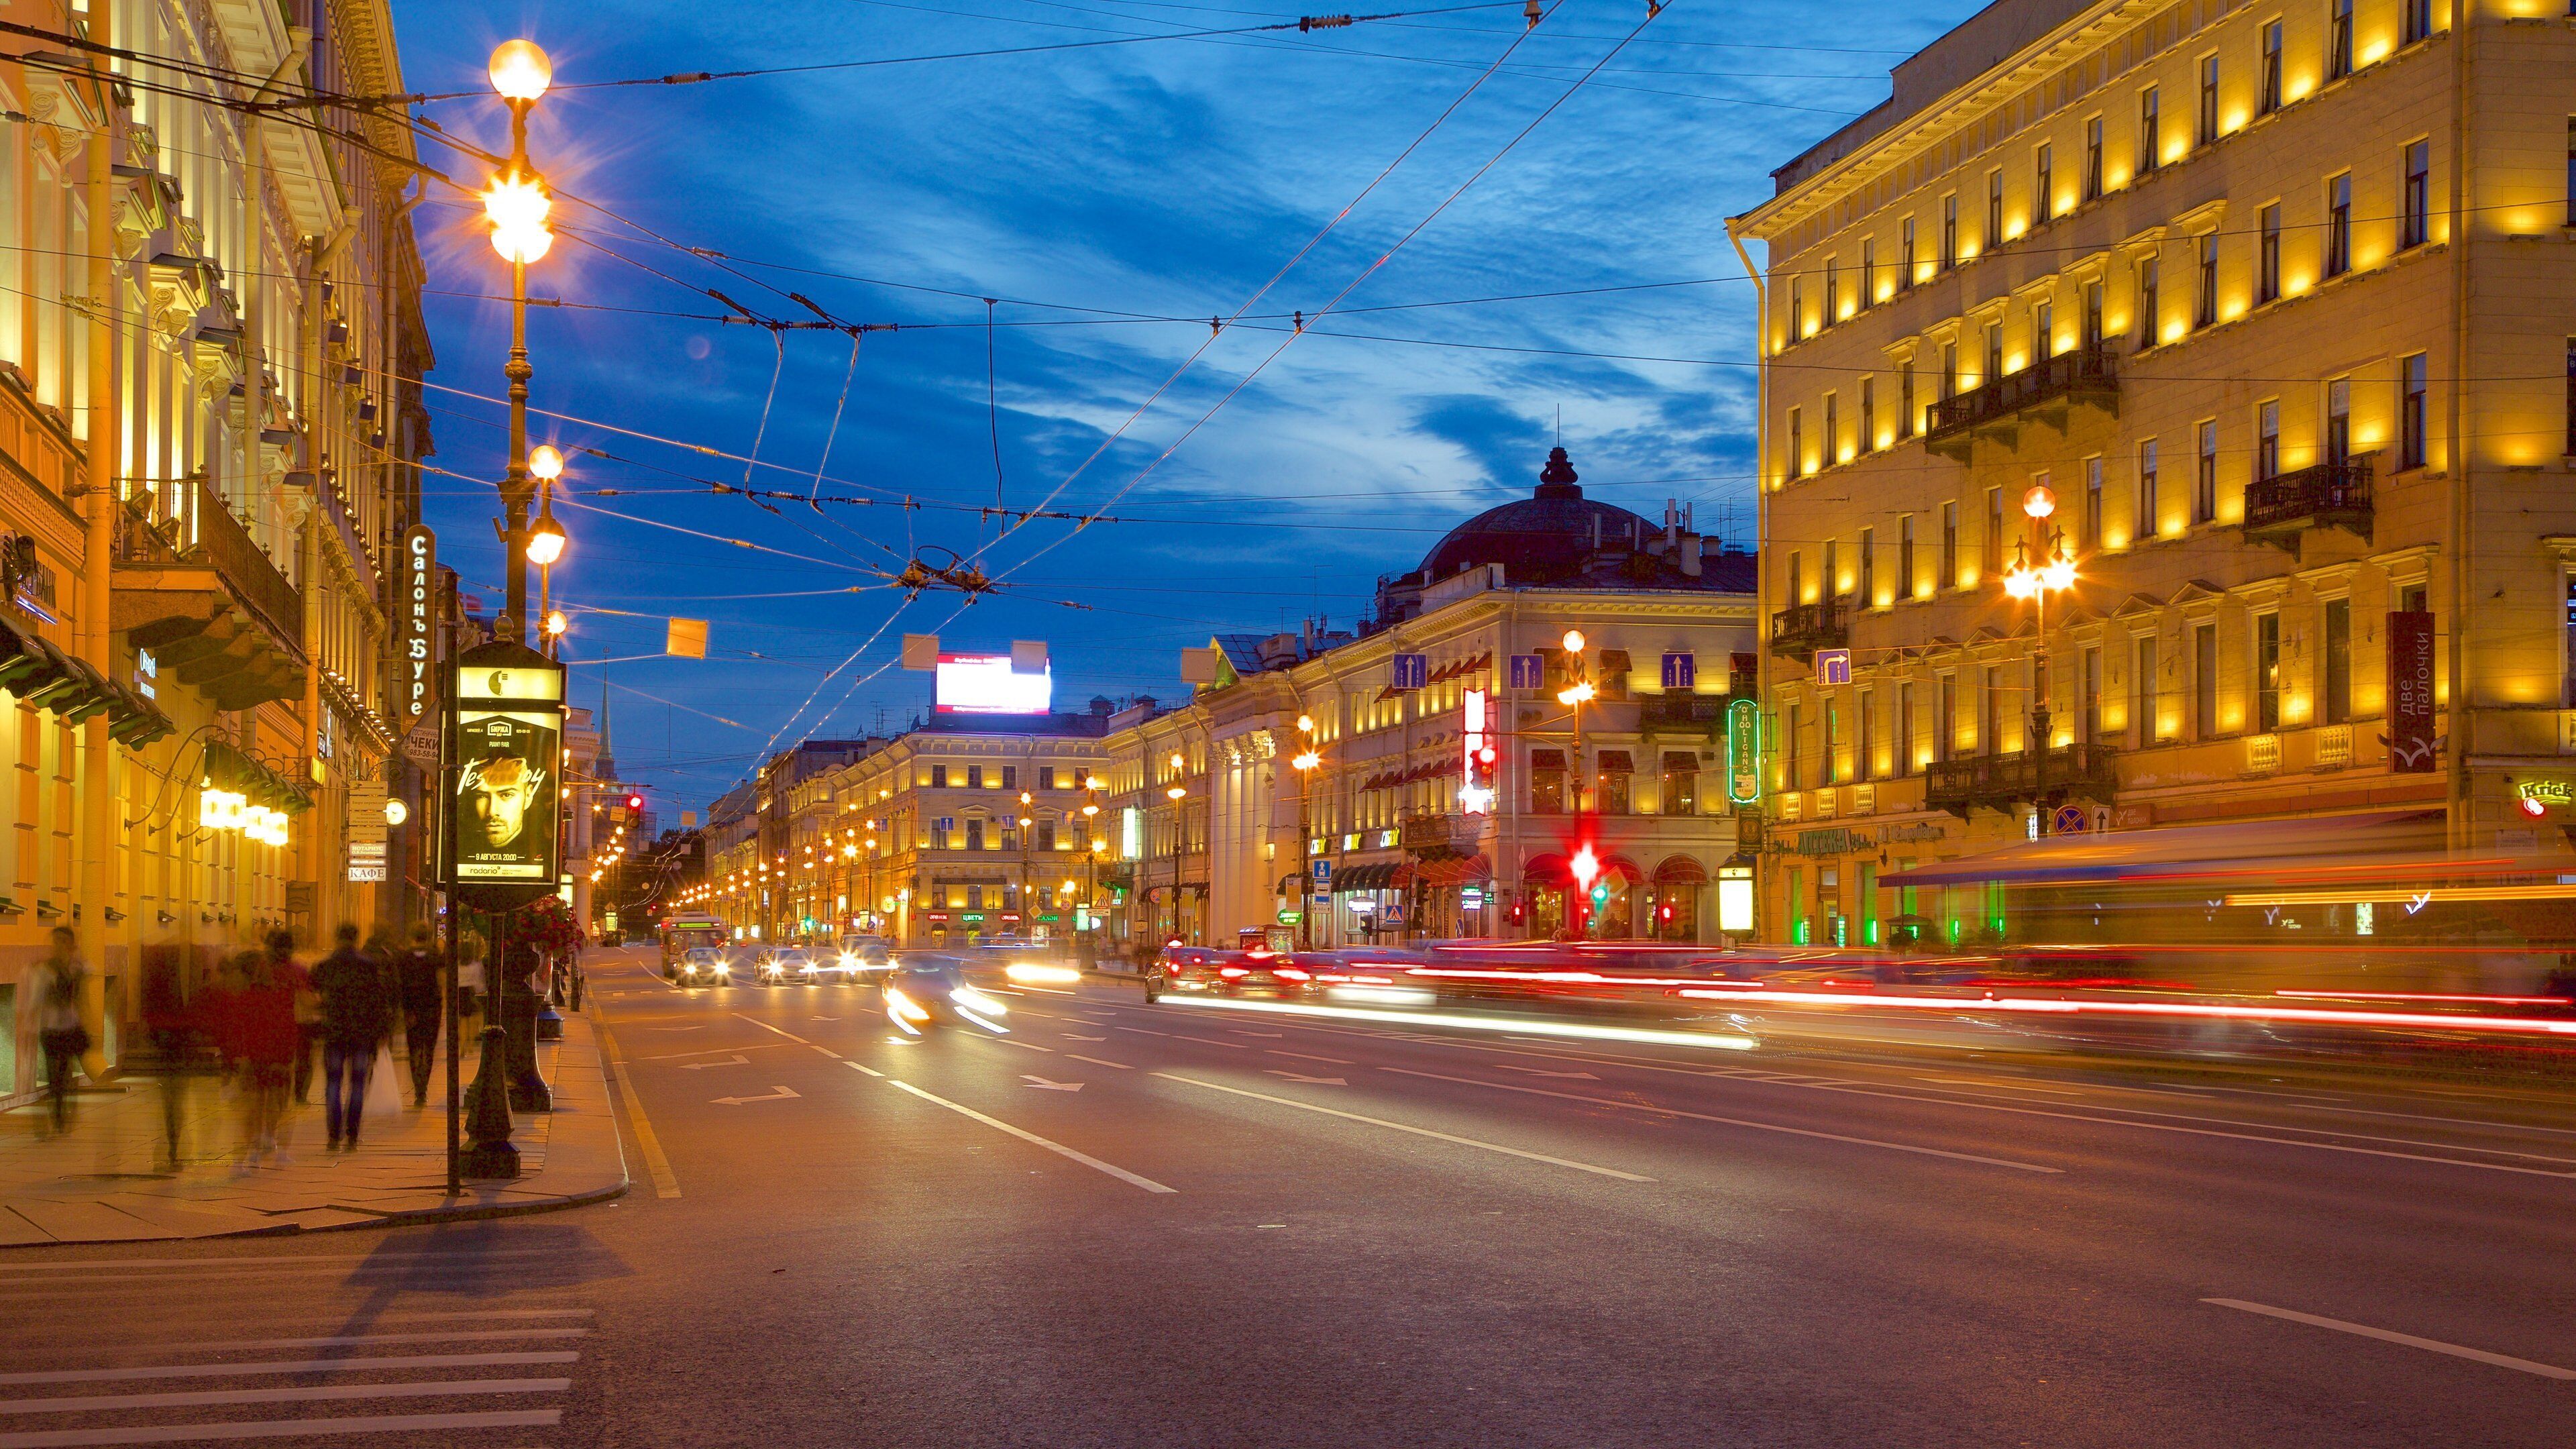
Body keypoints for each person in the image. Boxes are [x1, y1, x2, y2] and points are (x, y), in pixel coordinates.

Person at [309, 923, 393, 1151]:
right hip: (361, 1033)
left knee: (333, 1083)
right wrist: (382, 1031)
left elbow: (315, 995)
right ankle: (352, 1134)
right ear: (356, 938)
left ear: (337, 937)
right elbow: (378, 1000)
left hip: (335, 1031)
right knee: (357, 1084)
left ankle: (333, 1134)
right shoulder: (368, 965)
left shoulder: (326, 965)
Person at [233, 933, 305, 1166]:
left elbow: (242, 1021)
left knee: (257, 1099)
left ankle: (254, 1149)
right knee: (278, 1097)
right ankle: (273, 1141)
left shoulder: (249, 990)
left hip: (256, 1048)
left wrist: (242, 1053)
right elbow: (292, 1018)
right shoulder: (287, 985)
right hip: (280, 1047)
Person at [33, 926, 90, 1137]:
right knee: (53, 1073)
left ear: (71, 944)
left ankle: (62, 1111)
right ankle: (57, 1113)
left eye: (64, 941)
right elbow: (36, 999)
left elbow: (83, 989)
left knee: (65, 1071)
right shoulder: (45, 969)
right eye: (56, 940)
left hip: (70, 1026)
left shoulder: (76, 968)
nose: (59, 944)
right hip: (49, 1027)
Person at [394, 923, 443, 1107]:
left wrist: (404, 1010)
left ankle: (418, 1088)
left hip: (411, 1011)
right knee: (428, 1049)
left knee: (414, 1048)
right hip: (432, 1010)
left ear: (413, 936)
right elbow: (441, 982)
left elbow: (400, 986)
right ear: (428, 937)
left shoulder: (404, 958)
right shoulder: (435, 956)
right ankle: (424, 1087)